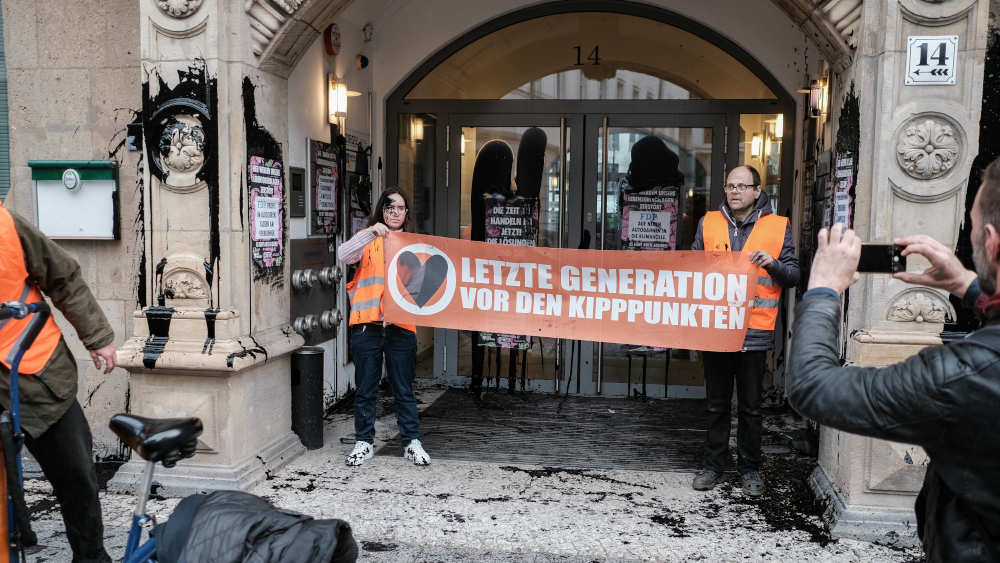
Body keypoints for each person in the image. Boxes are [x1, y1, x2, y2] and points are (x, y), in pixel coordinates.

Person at [789, 156, 1000, 562]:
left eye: (971, 227)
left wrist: (822, 291)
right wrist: (968, 286)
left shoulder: (962, 376)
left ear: (990, 242)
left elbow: (813, 387)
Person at [0, 200, 117, 563]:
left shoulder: (6, 226)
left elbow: (62, 275)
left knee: (77, 477)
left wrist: (97, 336)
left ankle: (91, 557)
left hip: (38, 377)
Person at [690, 165, 799, 496]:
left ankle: (750, 470)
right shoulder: (708, 223)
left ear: (757, 191)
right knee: (716, 404)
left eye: (742, 186)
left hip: (753, 332)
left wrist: (773, 263)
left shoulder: (778, 227)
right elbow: (690, 269)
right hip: (717, 329)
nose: (734, 191)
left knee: (752, 406)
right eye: (729, 186)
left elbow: (793, 275)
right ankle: (713, 466)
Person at [336, 187, 430, 467]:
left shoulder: (412, 244)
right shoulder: (367, 240)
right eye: (389, 208)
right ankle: (363, 443)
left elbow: (423, 286)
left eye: (400, 208)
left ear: (407, 213)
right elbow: (344, 254)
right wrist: (371, 232)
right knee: (366, 388)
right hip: (368, 326)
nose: (395, 213)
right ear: (381, 211)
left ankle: (411, 442)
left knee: (404, 388)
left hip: (401, 327)